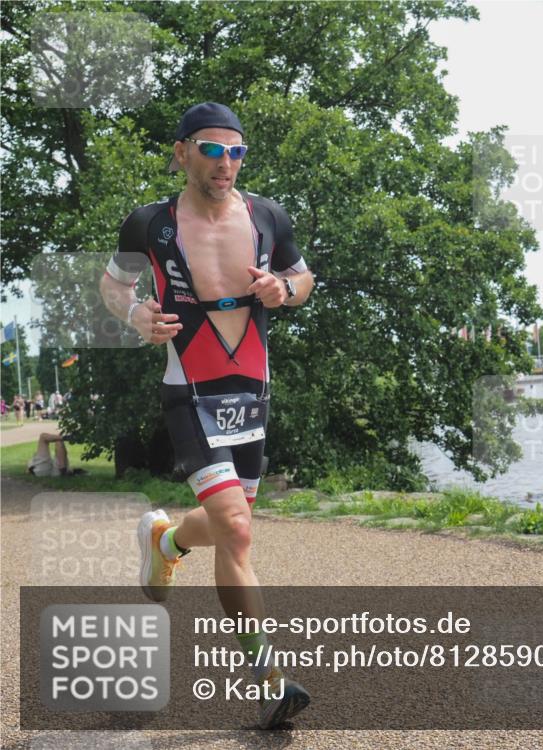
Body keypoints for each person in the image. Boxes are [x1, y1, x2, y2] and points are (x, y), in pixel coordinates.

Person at [99, 102, 315, 729]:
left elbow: (303, 279)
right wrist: (134, 314)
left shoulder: (270, 216)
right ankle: (269, 678)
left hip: (252, 388)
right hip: (188, 387)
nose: (226, 162)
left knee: (228, 526)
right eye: (213, 149)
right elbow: (114, 286)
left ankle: (165, 540)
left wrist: (284, 289)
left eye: (237, 151)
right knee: (238, 529)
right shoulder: (150, 224)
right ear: (182, 152)